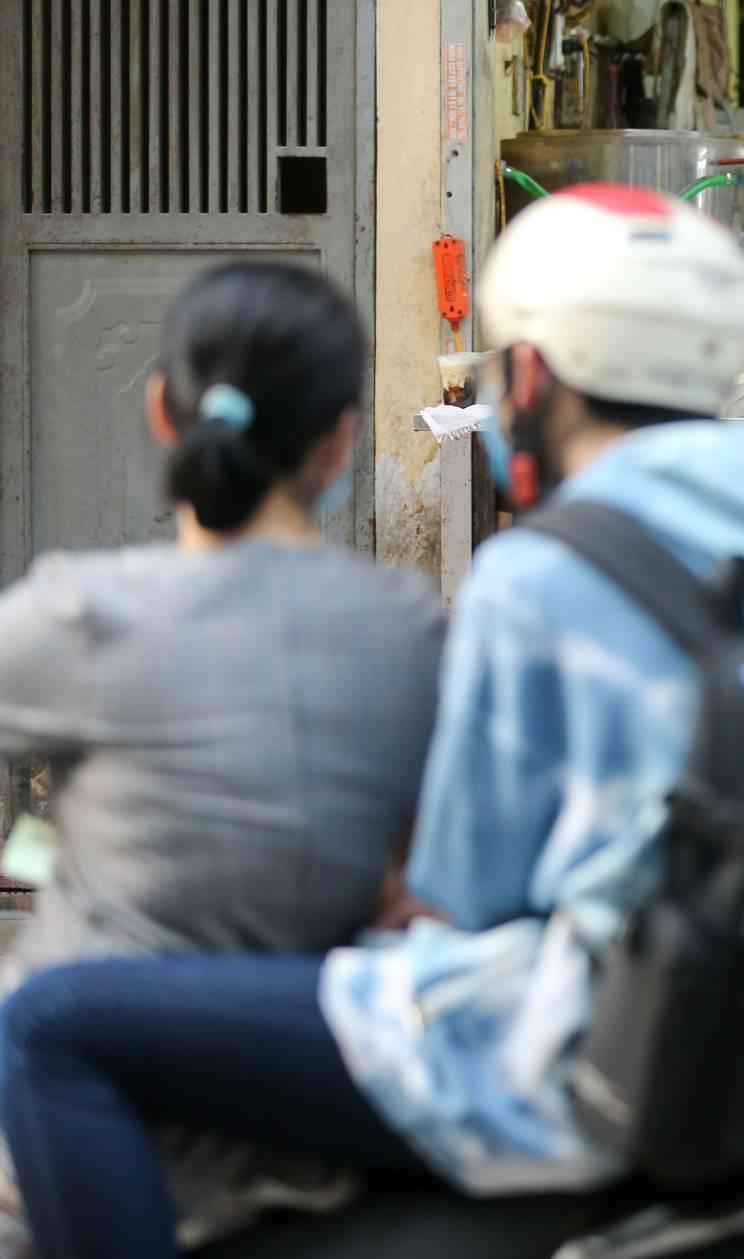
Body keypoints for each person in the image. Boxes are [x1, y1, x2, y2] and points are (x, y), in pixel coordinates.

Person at [0, 186, 744, 1259]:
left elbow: (460, 894)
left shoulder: (538, 573)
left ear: (529, 376)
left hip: (563, 1046)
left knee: (50, 1023)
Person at [0, 262, 445, 1251]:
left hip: (91, 1141)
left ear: (164, 411)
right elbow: (412, 872)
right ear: (340, 439)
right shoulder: (410, 625)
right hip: (302, 1120)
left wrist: (36, 854)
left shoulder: (83, 611)